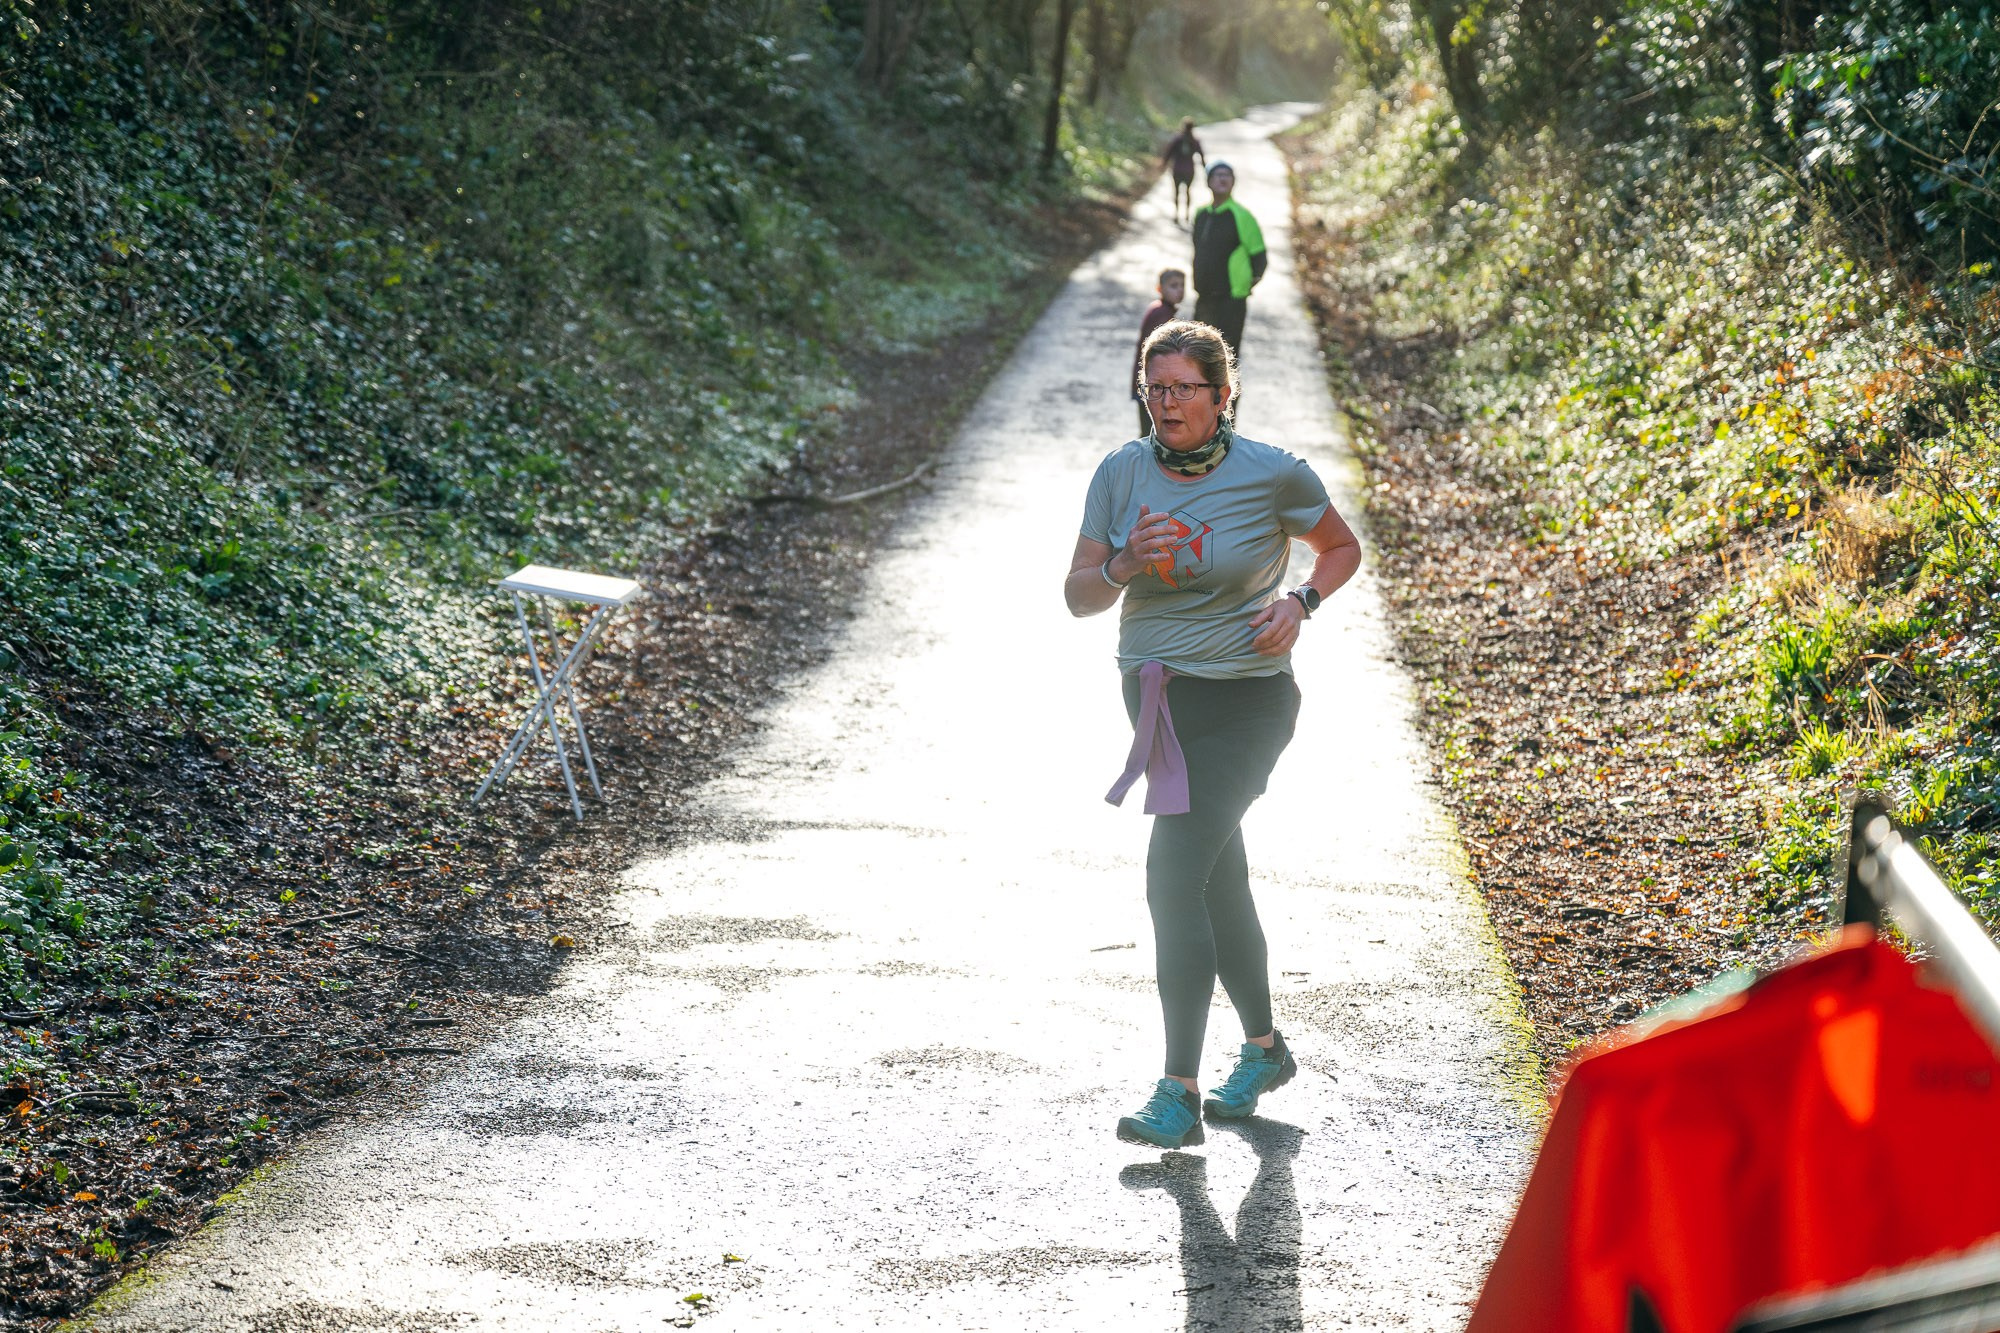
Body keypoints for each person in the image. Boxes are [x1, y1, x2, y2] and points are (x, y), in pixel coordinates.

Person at [1064, 320, 1362, 1150]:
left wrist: (1300, 601)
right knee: (1217, 877)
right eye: (1154, 388)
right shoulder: (1121, 474)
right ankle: (1264, 1050)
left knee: (1173, 872)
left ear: (1222, 395)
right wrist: (1123, 563)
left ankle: (1178, 1090)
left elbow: (1341, 547)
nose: (1166, 403)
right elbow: (1078, 596)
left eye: (1182, 388)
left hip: (1247, 702)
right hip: (1158, 702)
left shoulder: (1273, 473)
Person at [1190, 162, 1265, 358]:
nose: (1222, 179)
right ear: (1208, 182)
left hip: (1231, 299)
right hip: (1204, 295)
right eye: (1217, 175)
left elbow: (1259, 256)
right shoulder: (1201, 214)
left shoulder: (1242, 215)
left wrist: (1247, 283)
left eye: (1227, 175)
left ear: (1233, 182)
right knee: (1198, 353)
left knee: (1226, 355)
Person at [1132, 268, 1185, 437]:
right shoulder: (1162, 315)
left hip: (1150, 381)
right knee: (1152, 434)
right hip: (1152, 384)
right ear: (1160, 289)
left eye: (1182, 285)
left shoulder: (1160, 309)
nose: (1180, 290)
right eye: (1173, 286)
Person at [1162, 118, 1206, 223]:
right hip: (1189, 170)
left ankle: (1176, 214)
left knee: (1177, 192)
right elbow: (1201, 155)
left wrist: (1163, 164)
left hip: (1177, 169)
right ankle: (1187, 214)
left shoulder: (1177, 139)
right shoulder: (1194, 141)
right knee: (1188, 191)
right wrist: (1205, 168)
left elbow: (1169, 153)